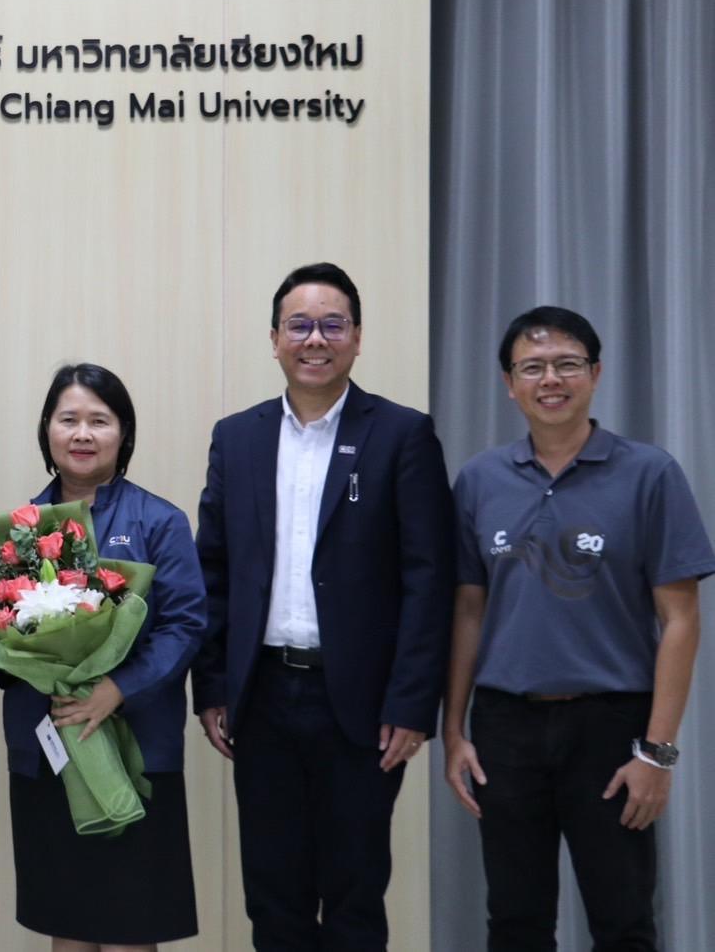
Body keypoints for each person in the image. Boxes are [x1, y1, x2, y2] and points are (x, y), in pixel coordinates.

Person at [191, 262, 455, 950]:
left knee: (354, 897)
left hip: (363, 706)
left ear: (357, 338)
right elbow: (213, 570)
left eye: (332, 325)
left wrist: (411, 703)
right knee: (273, 898)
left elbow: (429, 578)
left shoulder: (401, 434)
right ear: (275, 338)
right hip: (262, 697)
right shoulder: (237, 437)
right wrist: (212, 687)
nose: (316, 339)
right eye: (299, 325)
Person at [442, 306, 712, 951]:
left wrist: (657, 752)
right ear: (509, 384)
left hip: (611, 727)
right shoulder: (479, 480)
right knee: (515, 922)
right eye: (531, 368)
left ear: (595, 373)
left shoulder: (649, 474)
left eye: (567, 364)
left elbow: (680, 619)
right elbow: (468, 611)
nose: (550, 380)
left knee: (623, 921)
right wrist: (453, 731)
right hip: (505, 725)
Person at [2, 363, 207, 951]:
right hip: (50, 748)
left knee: (130, 926)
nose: (82, 434)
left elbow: (185, 625)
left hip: (137, 748)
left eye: (99, 420)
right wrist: (28, 662)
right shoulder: (18, 528)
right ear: (47, 429)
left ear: (124, 433)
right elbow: (1, 637)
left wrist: (116, 689)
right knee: (67, 924)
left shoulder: (160, 521)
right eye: (68, 420)